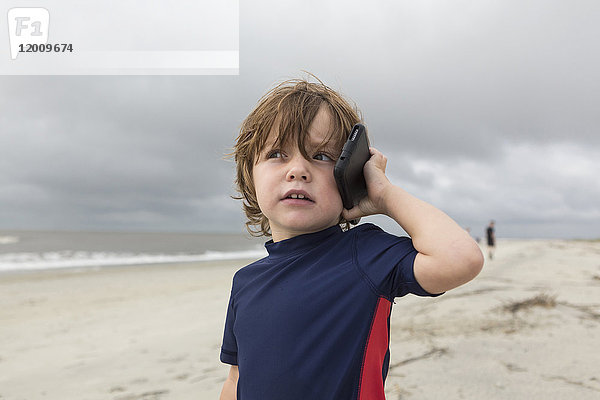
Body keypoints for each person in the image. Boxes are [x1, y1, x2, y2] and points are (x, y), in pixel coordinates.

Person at [219, 77, 484, 400]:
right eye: (277, 153)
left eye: (322, 157)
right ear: (249, 174)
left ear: (350, 175)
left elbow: (461, 257)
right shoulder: (246, 282)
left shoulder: (365, 255)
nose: (298, 170)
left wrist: (385, 195)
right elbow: (236, 378)